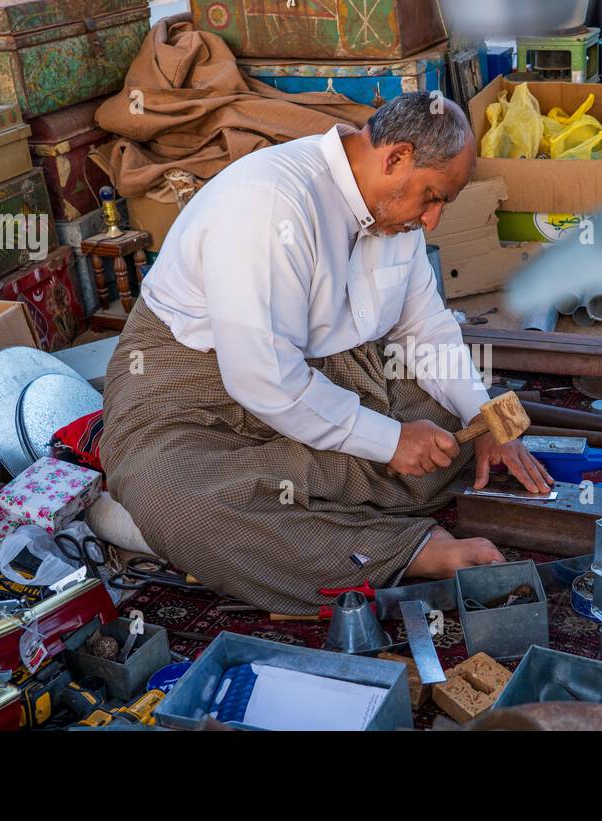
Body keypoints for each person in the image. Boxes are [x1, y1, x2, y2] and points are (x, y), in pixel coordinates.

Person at [100, 93, 553, 614]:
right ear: (397, 158)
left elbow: (426, 329)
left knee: (452, 429)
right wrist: (389, 441)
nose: (432, 221)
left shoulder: (394, 214)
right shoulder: (270, 204)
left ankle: (308, 495)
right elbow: (262, 379)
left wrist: (481, 415)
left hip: (328, 373)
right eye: (432, 197)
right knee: (180, 505)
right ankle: (407, 551)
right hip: (190, 387)